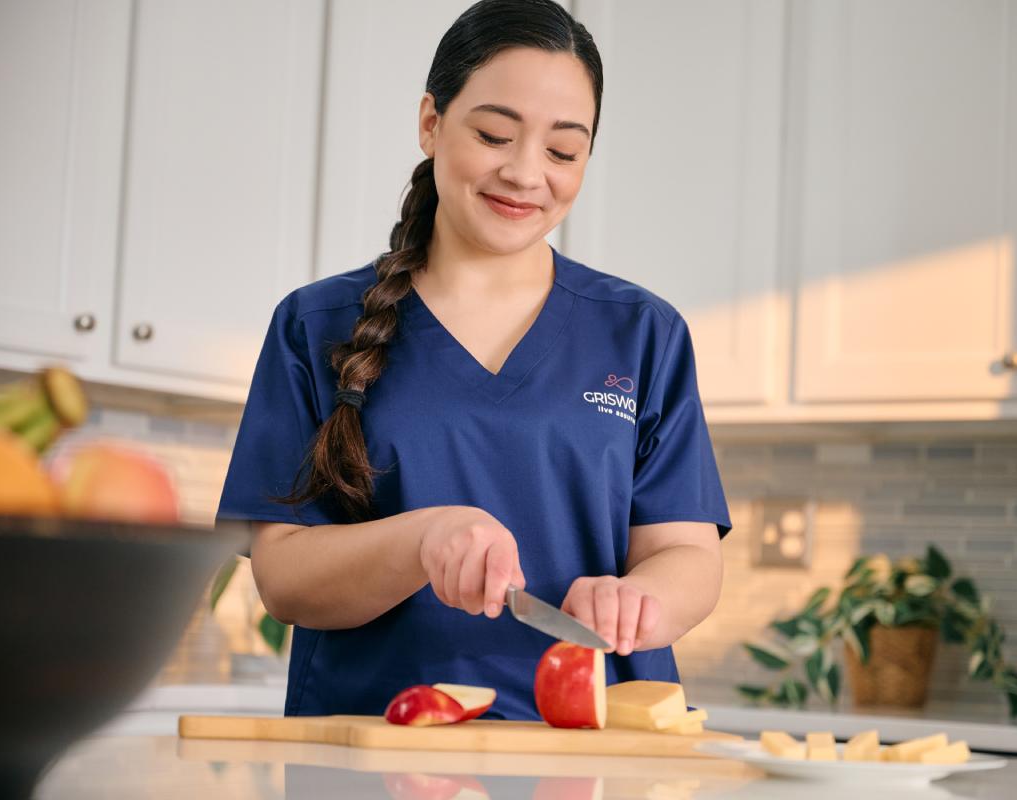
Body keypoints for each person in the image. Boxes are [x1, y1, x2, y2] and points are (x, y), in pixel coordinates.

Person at [217, 0, 732, 721]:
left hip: (597, 757)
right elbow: (283, 578)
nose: (525, 174)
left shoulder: (643, 333)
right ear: (431, 123)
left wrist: (642, 599)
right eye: (495, 135)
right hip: (375, 752)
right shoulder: (314, 326)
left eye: (562, 151)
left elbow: (689, 555)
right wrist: (425, 540)